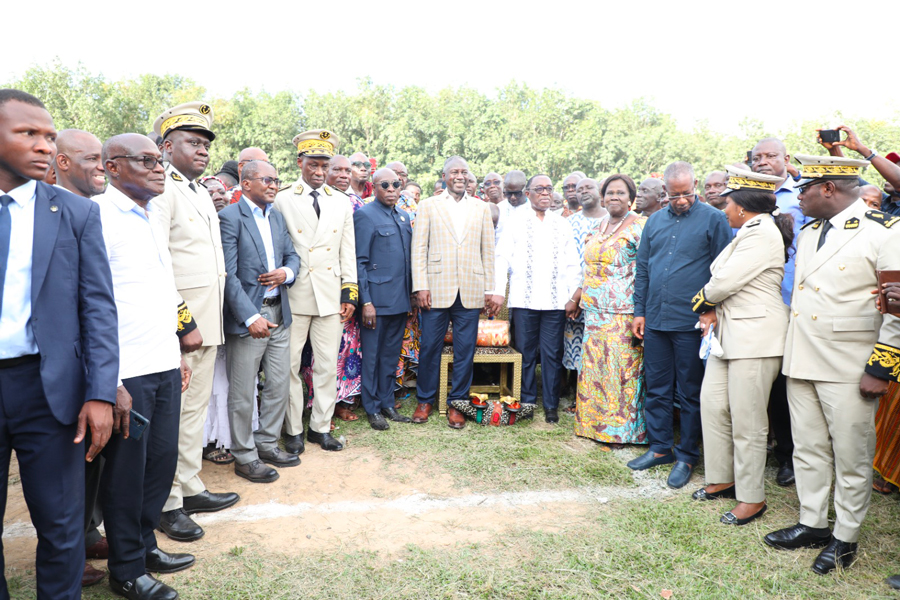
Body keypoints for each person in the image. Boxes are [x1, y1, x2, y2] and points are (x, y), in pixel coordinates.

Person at [0, 89, 118, 600]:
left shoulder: (74, 213)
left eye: (49, 136)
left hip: (48, 389)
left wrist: (100, 393)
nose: (44, 145)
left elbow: (98, 309)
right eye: (28, 134)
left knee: (62, 524)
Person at [764, 154, 900, 575]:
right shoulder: (809, 232)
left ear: (828, 189)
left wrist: (881, 368)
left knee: (851, 456)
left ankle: (845, 536)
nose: (796, 196)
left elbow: (896, 310)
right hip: (803, 357)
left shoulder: (885, 232)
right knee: (807, 448)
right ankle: (812, 523)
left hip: (849, 364)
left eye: (803, 188)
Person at [94, 133, 195, 600]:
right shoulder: (98, 217)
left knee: (159, 462)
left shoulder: (151, 215)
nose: (159, 169)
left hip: (161, 361)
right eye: (147, 161)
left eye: (160, 161)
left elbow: (160, 288)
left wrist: (177, 349)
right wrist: (108, 379)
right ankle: (126, 569)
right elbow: (89, 303)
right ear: (113, 167)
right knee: (126, 473)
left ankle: (144, 543)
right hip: (126, 370)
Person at [153, 102, 240, 543]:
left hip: (208, 322)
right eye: (192, 142)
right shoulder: (161, 189)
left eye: (206, 143)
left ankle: (188, 485)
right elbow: (158, 263)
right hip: (181, 326)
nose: (202, 150)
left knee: (194, 414)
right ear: (167, 147)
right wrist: (182, 322)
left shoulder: (198, 190)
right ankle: (167, 504)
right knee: (176, 416)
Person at [690, 167, 792, 528]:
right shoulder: (747, 230)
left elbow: (724, 282)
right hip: (730, 335)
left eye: (729, 202)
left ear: (744, 206)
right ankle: (722, 477)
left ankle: (752, 498)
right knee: (714, 405)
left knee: (748, 420)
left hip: (757, 337)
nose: (725, 209)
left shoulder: (761, 232)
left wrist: (702, 301)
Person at [629, 161, 732, 489]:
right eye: (674, 196)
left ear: (695, 185)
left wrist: (712, 310)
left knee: (689, 391)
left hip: (692, 322)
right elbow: (643, 267)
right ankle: (660, 448)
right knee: (656, 386)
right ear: (665, 193)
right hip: (656, 319)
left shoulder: (715, 220)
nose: (682, 200)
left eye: (687, 193)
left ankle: (687, 454)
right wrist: (639, 311)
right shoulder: (654, 221)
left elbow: (722, 270)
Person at [51, 127, 111, 587]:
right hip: (57, 368)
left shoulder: (93, 210)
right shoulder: (42, 211)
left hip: (96, 359)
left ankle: (87, 532)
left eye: (103, 158)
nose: (101, 167)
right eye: (90, 159)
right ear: (63, 162)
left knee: (91, 458)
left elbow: (101, 302)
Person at [276, 130, 358, 452]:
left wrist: (349, 292)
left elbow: (346, 250)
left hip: (330, 295)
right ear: (300, 162)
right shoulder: (283, 198)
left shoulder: (342, 201)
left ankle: (319, 428)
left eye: (324, 165)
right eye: (313, 164)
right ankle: (293, 429)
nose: (320, 171)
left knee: (327, 365)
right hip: (295, 294)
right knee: (290, 365)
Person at [220, 160, 300, 483]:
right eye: (267, 180)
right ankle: (244, 456)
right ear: (246, 182)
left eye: (277, 180)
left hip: (280, 312)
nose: (273, 185)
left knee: (279, 384)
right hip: (248, 318)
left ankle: (266, 443)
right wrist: (250, 316)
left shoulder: (277, 217)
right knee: (242, 392)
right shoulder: (229, 218)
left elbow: (293, 256)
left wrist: (286, 273)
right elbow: (227, 275)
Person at [411, 156, 494, 428]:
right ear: (445, 176)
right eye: (454, 172)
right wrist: (420, 285)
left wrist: (489, 289)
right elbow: (419, 249)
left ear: (470, 178)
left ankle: (457, 403)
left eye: (464, 172)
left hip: (470, 289)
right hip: (436, 289)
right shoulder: (428, 206)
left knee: (464, 351)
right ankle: (424, 400)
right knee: (429, 348)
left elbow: (488, 252)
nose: (460, 176)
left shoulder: (482, 208)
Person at [490, 174, 580, 422]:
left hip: (555, 301)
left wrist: (574, 294)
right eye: (539, 189)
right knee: (526, 353)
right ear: (527, 193)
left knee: (552, 354)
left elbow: (573, 261)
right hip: (523, 299)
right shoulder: (516, 221)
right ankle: (528, 401)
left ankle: (550, 405)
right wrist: (498, 290)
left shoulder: (561, 223)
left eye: (549, 189)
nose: (545, 193)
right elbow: (502, 257)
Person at [750, 137, 807, 488]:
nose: (763, 162)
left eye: (771, 156)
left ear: (786, 159)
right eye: (757, 157)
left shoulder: (804, 195)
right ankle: (771, 448)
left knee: (790, 385)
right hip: (755, 304)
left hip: (793, 305)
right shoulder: (744, 198)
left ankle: (789, 456)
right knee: (765, 384)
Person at [573, 174, 647, 444]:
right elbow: (589, 267)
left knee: (621, 371)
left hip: (624, 313)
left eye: (621, 193)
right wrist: (580, 295)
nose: (614, 197)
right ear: (602, 198)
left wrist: (642, 311)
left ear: (631, 198)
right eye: (610, 193)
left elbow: (645, 271)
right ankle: (592, 425)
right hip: (594, 312)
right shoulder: (599, 224)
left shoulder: (641, 226)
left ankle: (622, 432)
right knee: (595, 369)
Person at [355, 168, 415, 430]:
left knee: (391, 355)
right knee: (372, 356)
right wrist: (365, 302)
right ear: (374, 187)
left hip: (399, 300)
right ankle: (371, 408)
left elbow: (408, 261)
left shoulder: (403, 217)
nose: (391, 189)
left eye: (396, 184)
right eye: (385, 185)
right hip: (376, 302)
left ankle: (386, 402)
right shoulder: (365, 216)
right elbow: (359, 262)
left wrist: (411, 298)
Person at [309, 154, 365, 423]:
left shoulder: (356, 203)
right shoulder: (307, 199)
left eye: (347, 170)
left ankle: (340, 402)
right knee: (315, 356)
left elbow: (356, 252)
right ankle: (315, 406)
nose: (344, 174)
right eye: (337, 170)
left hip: (345, 289)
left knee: (345, 352)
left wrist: (352, 292)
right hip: (312, 292)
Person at [561, 178, 609, 407]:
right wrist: (574, 295)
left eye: (588, 188)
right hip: (574, 292)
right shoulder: (569, 222)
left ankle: (596, 395)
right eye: (579, 190)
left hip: (602, 293)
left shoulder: (612, 220)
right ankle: (578, 395)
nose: (583, 192)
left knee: (597, 347)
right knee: (576, 345)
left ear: (599, 191)